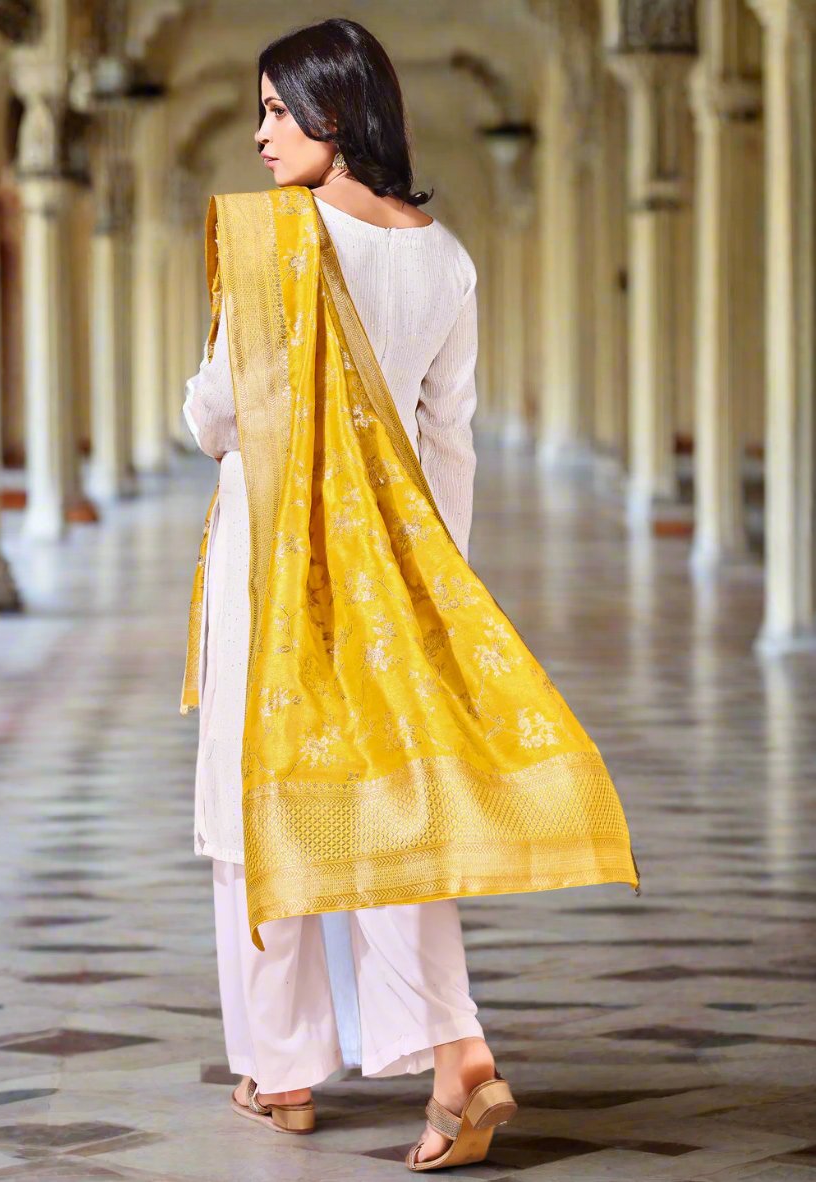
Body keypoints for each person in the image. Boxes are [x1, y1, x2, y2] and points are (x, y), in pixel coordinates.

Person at [181, 17, 638, 1172]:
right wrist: (437, 591)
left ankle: (281, 1072)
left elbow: (212, 415)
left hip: (273, 562)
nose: (259, 133)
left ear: (335, 118)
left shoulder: (272, 241)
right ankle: (457, 1056)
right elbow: (451, 445)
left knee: (259, 801)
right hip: (392, 573)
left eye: (279, 112)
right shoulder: (443, 256)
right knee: (388, 811)